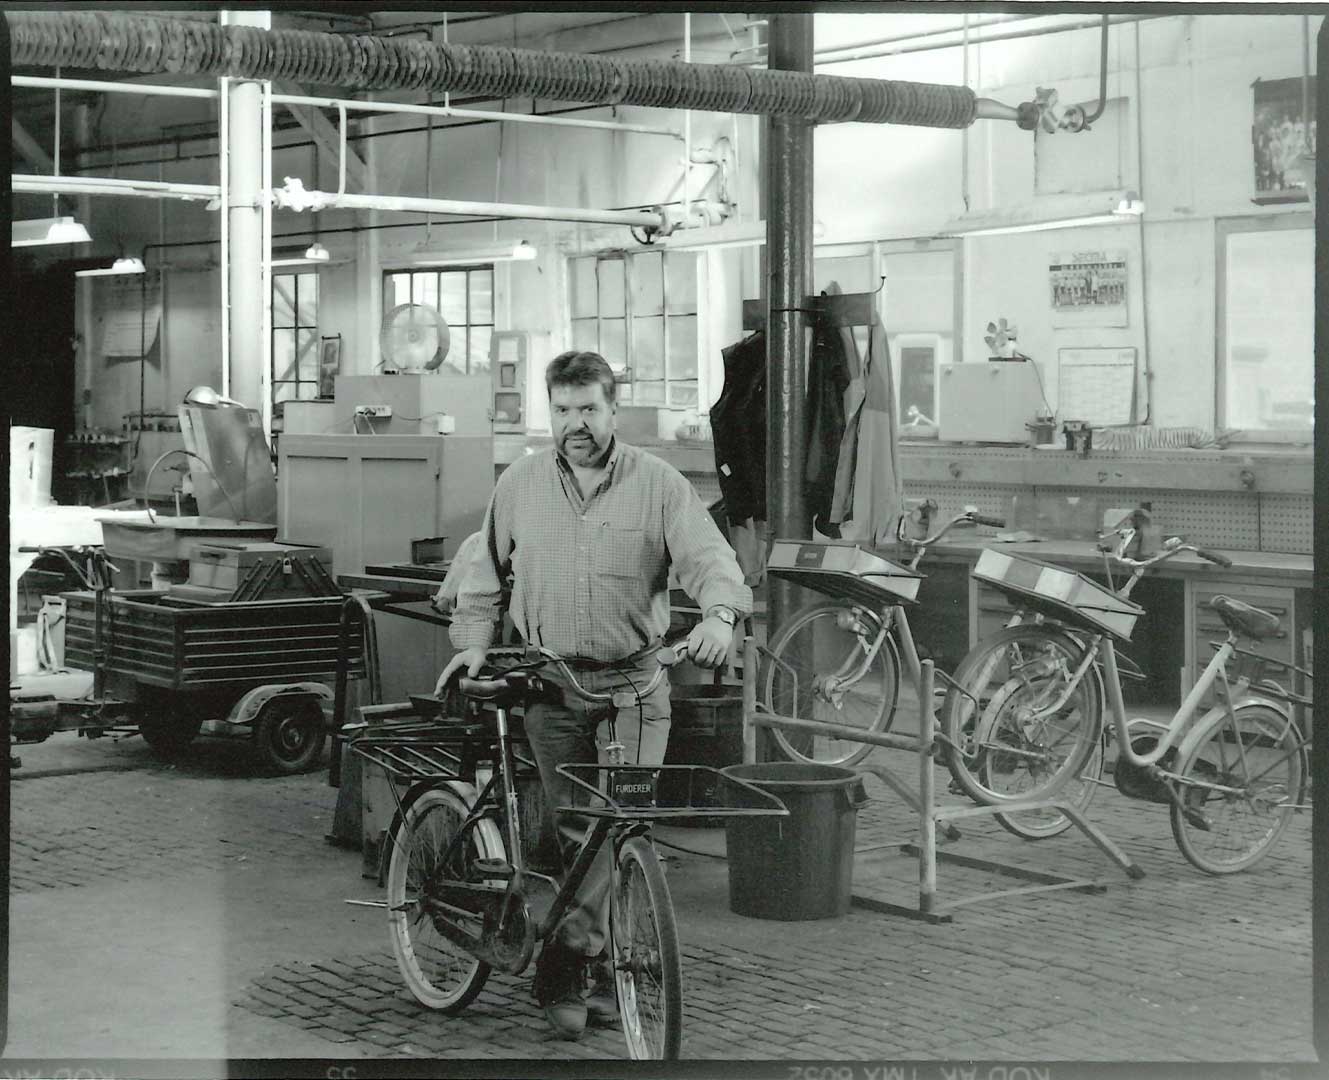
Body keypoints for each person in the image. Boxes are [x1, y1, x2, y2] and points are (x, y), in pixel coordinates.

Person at [436, 349, 752, 1041]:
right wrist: (472, 640)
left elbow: (708, 559)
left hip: (635, 689)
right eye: (564, 410)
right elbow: (483, 569)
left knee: (614, 827)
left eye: (589, 409)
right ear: (551, 411)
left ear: (615, 409)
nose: (576, 424)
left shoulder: (659, 485)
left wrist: (720, 616)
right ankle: (581, 965)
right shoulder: (519, 483)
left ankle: (572, 964)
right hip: (552, 689)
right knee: (573, 828)